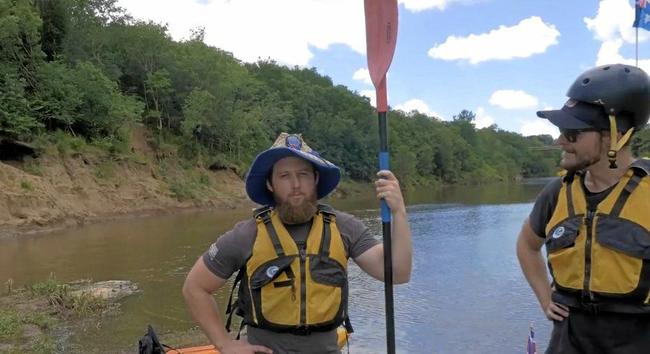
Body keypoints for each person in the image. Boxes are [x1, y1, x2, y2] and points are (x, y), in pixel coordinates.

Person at [183, 132, 413, 354]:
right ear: (270, 184)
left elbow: (398, 272)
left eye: (303, 174)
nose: (295, 184)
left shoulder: (344, 228)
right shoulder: (246, 234)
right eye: (284, 176)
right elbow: (195, 287)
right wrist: (224, 344)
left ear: (315, 179)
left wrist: (399, 213)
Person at [516, 64, 650, 354]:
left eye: (572, 133)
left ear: (615, 135)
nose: (560, 141)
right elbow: (527, 246)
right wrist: (544, 297)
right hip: (568, 341)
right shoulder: (556, 193)